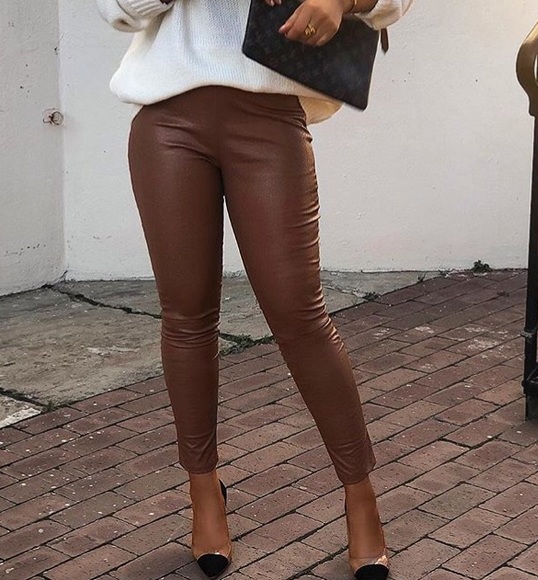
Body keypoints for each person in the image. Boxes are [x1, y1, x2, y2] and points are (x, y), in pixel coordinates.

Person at [96, 0, 413, 578]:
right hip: (167, 120)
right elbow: (116, 8)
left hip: (270, 115)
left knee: (300, 316)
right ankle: (204, 491)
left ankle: (360, 496)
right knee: (187, 317)